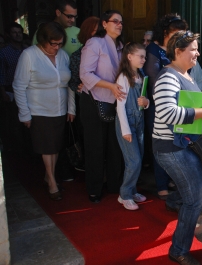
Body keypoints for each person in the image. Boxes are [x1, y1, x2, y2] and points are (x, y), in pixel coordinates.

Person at [153, 30, 202, 265]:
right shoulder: (168, 77)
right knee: (195, 198)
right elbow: (167, 113)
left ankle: (175, 201)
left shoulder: (188, 74)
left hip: (188, 144)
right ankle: (179, 250)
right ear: (178, 52)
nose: (197, 53)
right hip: (171, 148)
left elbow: (201, 107)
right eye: (193, 49)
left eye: (196, 48)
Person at [13, 21, 75, 201]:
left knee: (55, 146)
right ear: (42, 40)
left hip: (60, 109)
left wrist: (71, 108)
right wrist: (24, 113)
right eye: (52, 44)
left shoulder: (63, 56)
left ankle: (49, 176)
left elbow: (69, 84)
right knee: (46, 147)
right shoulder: (29, 55)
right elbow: (19, 86)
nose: (56, 47)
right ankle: (52, 182)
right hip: (39, 109)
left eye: (59, 44)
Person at [80, 10, 125, 203]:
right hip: (94, 101)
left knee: (114, 147)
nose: (119, 24)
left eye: (121, 22)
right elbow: (85, 74)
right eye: (115, 21)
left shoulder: (121, 46)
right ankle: (94, 190)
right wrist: (110, 86)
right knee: (95, 147)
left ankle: (115, 185)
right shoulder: (94, 43)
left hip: (116, 102)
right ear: (104, 24)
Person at [143, 13, 188, 200]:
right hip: (159, 105)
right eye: (176, 34)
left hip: (179, 104)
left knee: (176, 142)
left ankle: (171, 179)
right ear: (165, 33)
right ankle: (161, 184)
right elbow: (153, 78)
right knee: (162, 144)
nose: (180, 38)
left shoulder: (177, 49)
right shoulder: (153, 49)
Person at [115, 42, 150, 210]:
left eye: (144, 56)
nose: (144, 59)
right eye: (141, 56)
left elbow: (144, 101)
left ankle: (132, 189)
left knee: (139, 157)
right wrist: (125, 130)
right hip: (128, 123)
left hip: (139, 121)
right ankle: (125, 195)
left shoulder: (141, 75)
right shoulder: (123, 76)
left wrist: (147, 102)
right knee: (133, 160)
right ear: (129, 57)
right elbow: (120, 106)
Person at [68, 16, 99, 171]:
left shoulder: (111, 52)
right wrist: (79, 87)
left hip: (108, 103)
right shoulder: (76, 56)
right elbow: (72, 81)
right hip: (87, 104)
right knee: (90, 140)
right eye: (94, 32)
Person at [0, 22, 27, 153]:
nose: (17, 35)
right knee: (14, 121)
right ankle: (17, 150)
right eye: (14, 32)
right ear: (8, 35)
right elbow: (1, 74)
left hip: (28, 90)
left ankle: (29, 148)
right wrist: (3, 93)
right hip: (11, 90)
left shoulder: (27, 50)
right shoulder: (4, 52)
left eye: (19, 32)